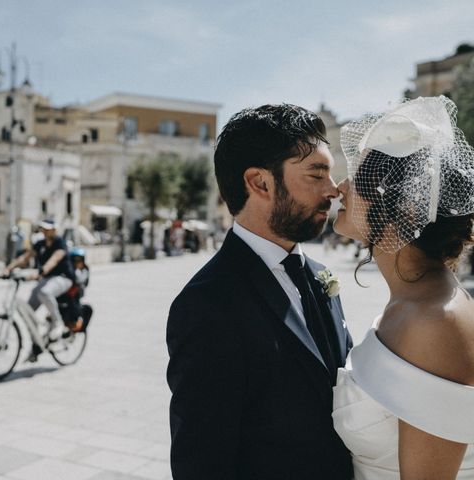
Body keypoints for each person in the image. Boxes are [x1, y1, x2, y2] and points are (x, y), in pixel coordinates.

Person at [167, 104, 353, 479]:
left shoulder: (321, 277)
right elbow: (201, 463)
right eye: (317, 174)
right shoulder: (206, 304)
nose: (334, 190)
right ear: (260, 183)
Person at [332, 95, 474, 479]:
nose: (340, 187)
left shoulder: (436, 322)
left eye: (357, 178)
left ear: (406, 208)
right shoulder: (416, 305)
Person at [3, 220, 75, 359]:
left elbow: (54, 260)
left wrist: (40, 272)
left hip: (63, 278)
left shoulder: (60, 242)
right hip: (46, 279)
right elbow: (25, 257)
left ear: (54, 230)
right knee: (28, 312)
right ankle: (37, 345)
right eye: (43, 229)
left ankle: (57, 323)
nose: (45, 231)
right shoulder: (40, 244)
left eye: (48, 229)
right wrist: (8, 268)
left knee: (44, 292)